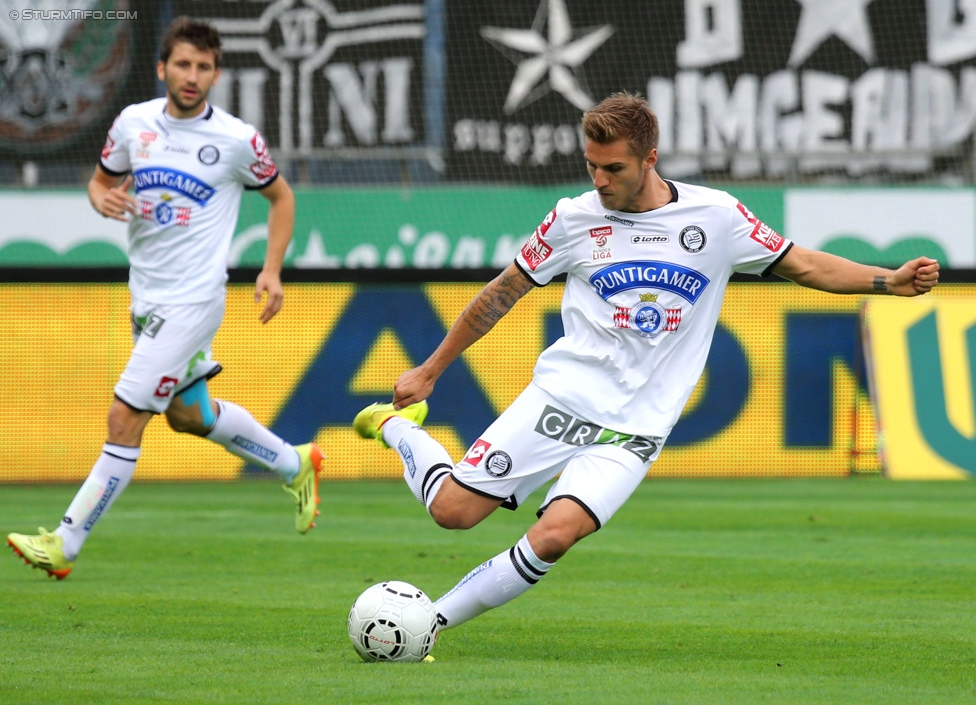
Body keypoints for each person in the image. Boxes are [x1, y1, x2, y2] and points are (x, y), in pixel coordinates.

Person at [352, 92, 940, 636]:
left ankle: (429, 623)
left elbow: (804, 265)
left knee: (556, 535)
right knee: (453, 514)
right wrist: (430, 369)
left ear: (650, 158)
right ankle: (399, 430)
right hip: (561, 402)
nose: (600, 180)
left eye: (614, 168)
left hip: (637, 428)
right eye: (592, 166)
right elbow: (502, 292)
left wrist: (887, 280)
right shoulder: (572, 219)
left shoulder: (716, 218)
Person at [7, 17, 323, 580]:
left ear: (216, 74)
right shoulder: (134, 123)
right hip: (146, 299)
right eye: (183, 64)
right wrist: (100, 197)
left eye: (204, 67)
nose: (192, 76)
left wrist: (272, 271)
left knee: (124, 417)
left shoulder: (235, 140)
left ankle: (64, 544)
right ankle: (293, 462)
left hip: (195, 302)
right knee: (188, 415)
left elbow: (282, 198)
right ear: (162, 68)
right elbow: (102, 181)